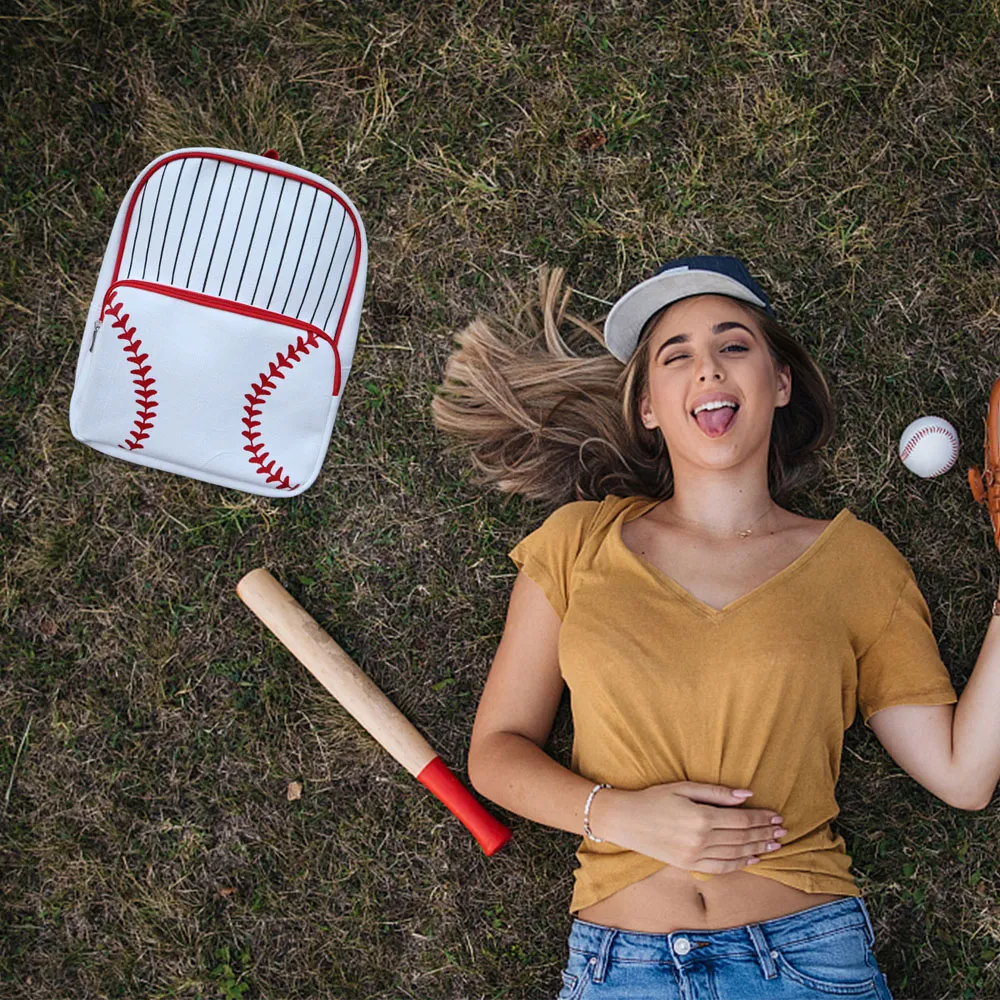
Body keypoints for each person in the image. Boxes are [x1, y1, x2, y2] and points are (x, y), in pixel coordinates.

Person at [431, 255, 960, 999]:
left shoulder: (856, 561)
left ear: (779, 384)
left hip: (807, 963)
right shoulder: (579, 542)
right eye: (676, 357)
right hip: (622, 969)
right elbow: (494, 752)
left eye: (734, 345)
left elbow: (962, 775)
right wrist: (617, 815)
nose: (707, 369)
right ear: (649, 405)